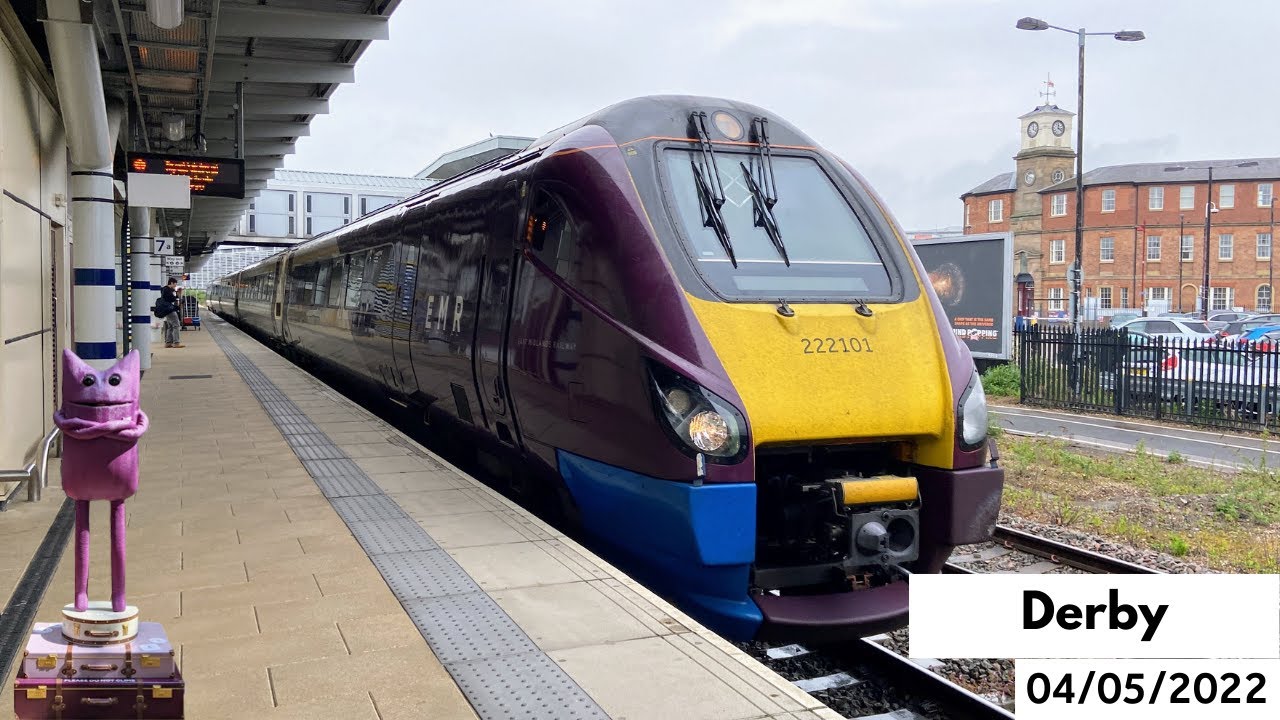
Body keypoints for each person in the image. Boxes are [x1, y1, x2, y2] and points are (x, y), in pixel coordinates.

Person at [160, 278, 184, 349]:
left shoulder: (164, 289)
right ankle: (176, 343)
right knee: (176, 325)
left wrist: (176, 294)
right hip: (170, 310)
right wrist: (178, 295)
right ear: (172, 283)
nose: (175, 286)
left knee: (170, 326)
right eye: (175, 284)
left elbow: (171, 298)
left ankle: (168, 343)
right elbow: (172, 299)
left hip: (166, 310)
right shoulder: (167, 290)